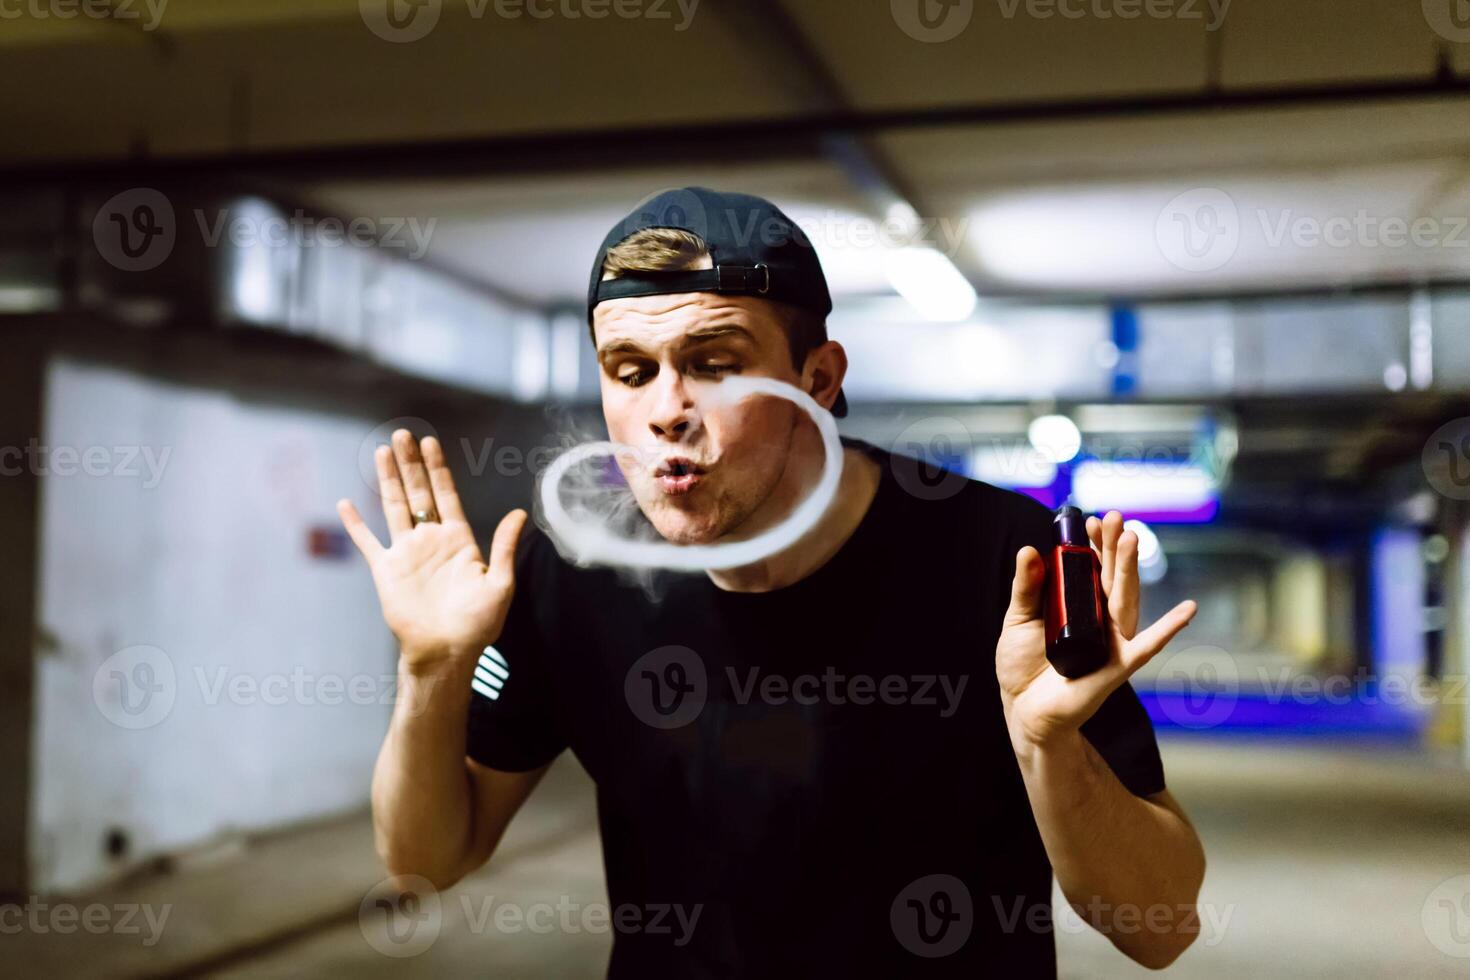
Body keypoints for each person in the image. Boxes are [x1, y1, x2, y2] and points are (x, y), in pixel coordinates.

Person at [337, 187, 1206, 977]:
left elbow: (1157, 928)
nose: (665, 409)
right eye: (629, 370)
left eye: (713, 362)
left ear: (819, 378)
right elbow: (425, 860)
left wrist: (1050, 748)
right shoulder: (569, 568)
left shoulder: (998, 560)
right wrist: (430, 672)